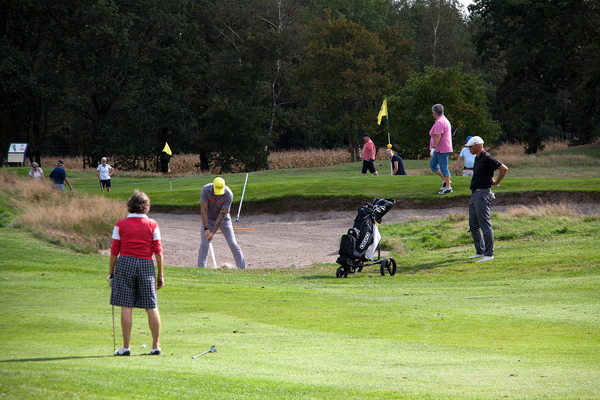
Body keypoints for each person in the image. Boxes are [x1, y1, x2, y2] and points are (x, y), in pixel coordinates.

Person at [108, 190, 164, 356]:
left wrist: (111, 273)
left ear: (130, 205)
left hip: (125, 263)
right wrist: (160, 274)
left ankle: (126, 347)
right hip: (146, 264)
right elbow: (158, 251)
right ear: (146, 207)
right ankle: (156, 346)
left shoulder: (120, 224)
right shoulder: (153, 224)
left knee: (126, 305)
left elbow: (114, 250)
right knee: (151, 306)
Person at [466, 136, 508, 262]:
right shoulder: (478, 158)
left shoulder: (486, 157)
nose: (469, 149)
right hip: (475, 194)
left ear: (478, 145)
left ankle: (489, 254)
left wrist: (496, 182)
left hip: (482, 194)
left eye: (470, 147)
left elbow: (503, 168)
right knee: (473, 224)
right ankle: (480, 251)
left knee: (485, 225)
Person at [198, 177, 246, 269]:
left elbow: (222, 215)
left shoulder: (228, 194)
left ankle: (242, 268)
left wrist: (213, 233)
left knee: (233, 243)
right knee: (204, 244)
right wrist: (206, 228)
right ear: (213, 187)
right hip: (208, 219)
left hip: (224, 220)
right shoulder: (206, 190)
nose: (218, 195)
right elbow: (203, 211)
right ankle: (201, 268)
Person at [428, 104, 453, 194]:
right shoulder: (441, 120)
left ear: (434, 113)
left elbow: (438, 136)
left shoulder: (440, 121)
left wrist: (433, 148)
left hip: (442, 148)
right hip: (440, 149)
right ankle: (446, 181)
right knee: (433, 164)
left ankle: (448, 187)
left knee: (443, 167)